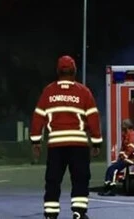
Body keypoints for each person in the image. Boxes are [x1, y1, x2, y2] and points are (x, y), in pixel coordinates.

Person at [30, 55, 102, 219]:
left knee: (53, 181)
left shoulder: (49, 91)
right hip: (78, 145)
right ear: (74, 71)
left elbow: (38, 117)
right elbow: (93, 118)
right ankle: (79, 212)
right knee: (80, 180)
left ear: (58, 71)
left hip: (56, 146)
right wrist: (97, 142)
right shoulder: (83, 92)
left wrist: (35, 141)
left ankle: (50, 214)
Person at [98, 119, 134, 196]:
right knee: (109, 169)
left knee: (114, 170)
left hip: (129, 159)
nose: (121, 126)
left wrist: (124, 156)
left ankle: (111, 189)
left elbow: (131, 147)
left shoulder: (131, 134)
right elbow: (123, 148)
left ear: (126, 125)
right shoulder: (126, 134)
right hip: (124, 159)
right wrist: (120, 157)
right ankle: (107, 187)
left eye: (123, 124)